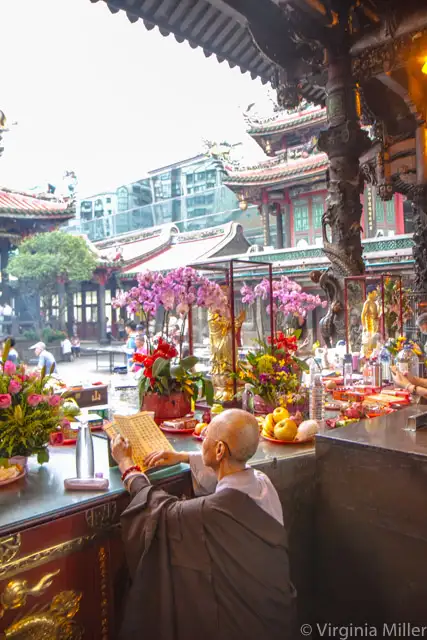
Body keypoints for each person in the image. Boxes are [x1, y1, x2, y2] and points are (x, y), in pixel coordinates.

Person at [111, 409, 296, 640]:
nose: (204, 436)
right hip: (275, 621)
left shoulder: (213, 511)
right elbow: (228, 474)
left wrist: (126, 463)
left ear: (219, 450)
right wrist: (183, 457)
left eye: (207, 434)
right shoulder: (263, 482)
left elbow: (159, 511)